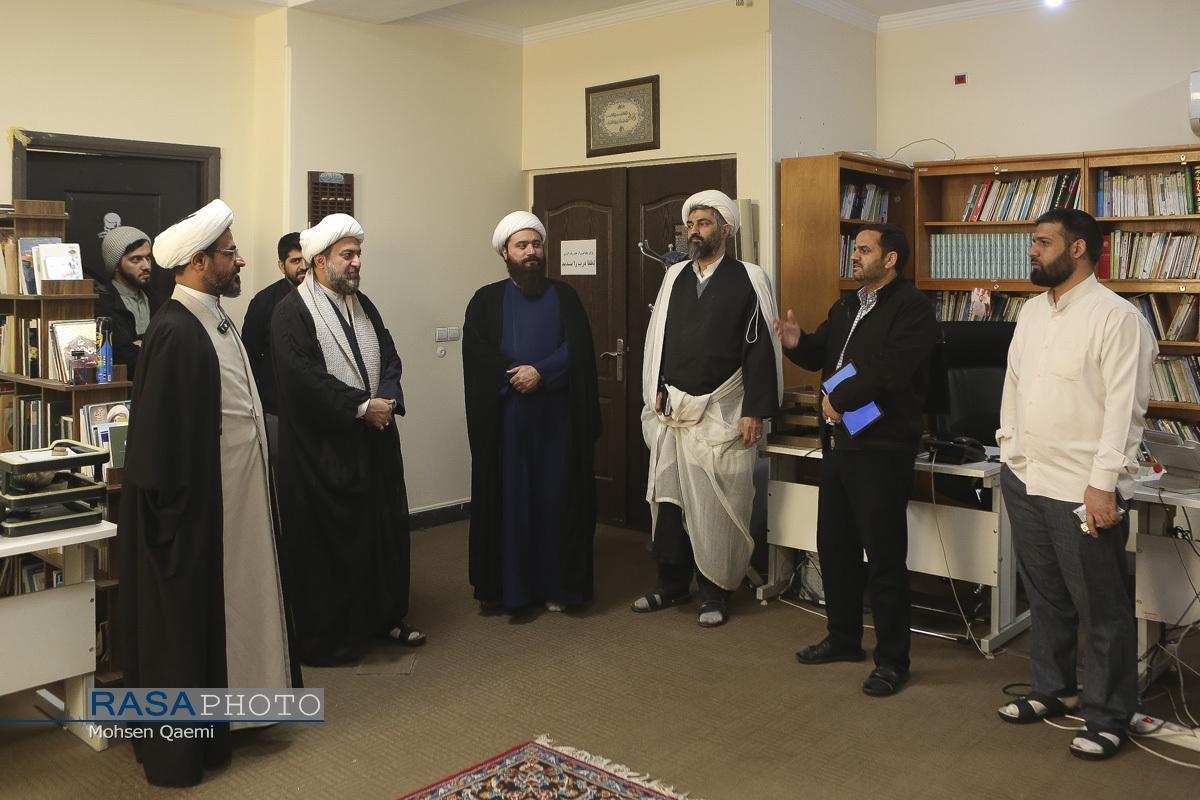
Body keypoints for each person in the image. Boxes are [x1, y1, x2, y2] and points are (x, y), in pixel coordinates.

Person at [118, 199, 299, 787]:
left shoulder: (211, 316)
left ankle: (241, 710)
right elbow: (158, 448)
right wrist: (179, 524)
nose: (239, 259)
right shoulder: (176, 329)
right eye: (229, 252)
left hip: (235, 503)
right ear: (198, 262)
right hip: (195, 515)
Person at [994, 208, 1156, 760]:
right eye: (1033, 242)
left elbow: (1124, 412)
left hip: (1081, 489)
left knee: (1101, 608)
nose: (1032, 251)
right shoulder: (1030, 312)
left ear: (1078, 248)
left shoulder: (1118, 318)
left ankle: (1109, 715)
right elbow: (1014, 385)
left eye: (1042, 242)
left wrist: (1103, 484)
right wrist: (1010, 449)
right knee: (1045, 596)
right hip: (1026, 477)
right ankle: (1053, 689)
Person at [777, 223, 936, 697]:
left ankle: (892, 660)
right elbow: (823, 352)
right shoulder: (846, 305)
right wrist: (797, 342)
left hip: (882, 446)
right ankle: (844, 637)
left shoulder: (912, 307)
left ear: (890, 259)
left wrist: (840, 399)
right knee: (835, 547)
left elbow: (891, 371)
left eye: (864, 250)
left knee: (884, 557)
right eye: (856, 249)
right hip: (840, 443)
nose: (855, 256)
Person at [270, 213, 425, 665]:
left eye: (358, 254)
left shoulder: (364, 304)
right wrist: (361, 407)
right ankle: (337, 636)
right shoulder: (291, 312)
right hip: (326, 452)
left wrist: (387, 399)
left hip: (376, 442)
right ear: (320, 261)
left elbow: (389, 355)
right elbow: (303, 380)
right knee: (335, 543)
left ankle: (387, 617)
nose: (357, 262)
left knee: (383, 534)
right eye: (348, 255)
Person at [634, 190, 782, 628]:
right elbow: (658, 338)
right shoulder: (674, 276)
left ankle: (716, 591)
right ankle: (672, 584)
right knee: (671, 503)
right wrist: (656, 386)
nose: (695, 231)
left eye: (704, 223)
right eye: (691, 224)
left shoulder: (749, 278)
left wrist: (755, 409)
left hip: (725, 412)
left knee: (718, 506)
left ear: (725, 229)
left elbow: (760, 348)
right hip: (674, 412)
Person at [463, 211, 601, 615]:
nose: (531, 252)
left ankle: (560, 587)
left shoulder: (566, 296)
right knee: (512, 503)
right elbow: (477, 352)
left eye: (536, 244)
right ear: (505, 252)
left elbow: (578, 348)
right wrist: (516, 373)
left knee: (557, 501)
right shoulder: (485, 300)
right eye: (521, 245)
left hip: (558, 422)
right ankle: (514, 591)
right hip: (508, 423)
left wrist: (541, 371)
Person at [242, 232, 307, 443]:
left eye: (306, 259)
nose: (303, 266)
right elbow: (249, 358)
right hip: (275, 410)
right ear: (281, 266)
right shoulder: (263, 302)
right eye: (295, 261)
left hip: (315, 408)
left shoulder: (325, 298)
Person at [96, 225, 165, 379]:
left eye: (147, 258)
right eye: (136, 259)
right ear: (116, 266)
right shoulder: (102, 304)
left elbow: (175, 349)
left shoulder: (160, 302)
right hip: (123, 389)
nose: (146, 266)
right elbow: (123, 357)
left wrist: (142, 346)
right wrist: (154, 347)